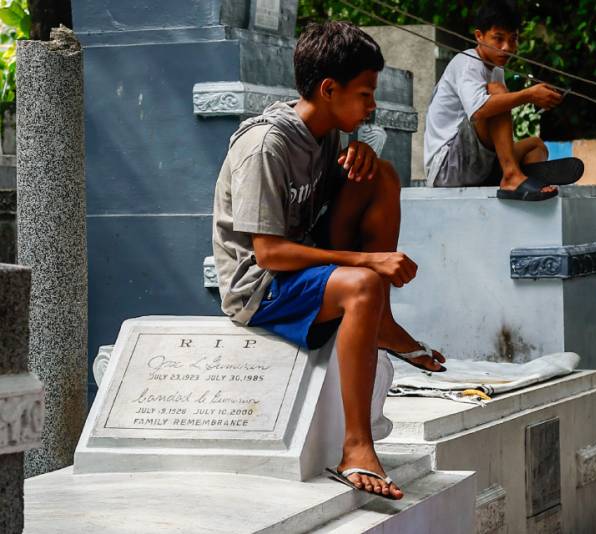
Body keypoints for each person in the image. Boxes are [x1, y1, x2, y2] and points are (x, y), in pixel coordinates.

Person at [211, 21, 446, 500]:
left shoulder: (325, 134)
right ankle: (357, 445)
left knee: (380, 175)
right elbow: (269, 253)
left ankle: (381, 321)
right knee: (361, 283)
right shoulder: (265, 146)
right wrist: (369, 260)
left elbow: (361, 161)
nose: (372, 105)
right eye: (365, 94)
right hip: (260, 286)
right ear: (328, 89)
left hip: (301, 259)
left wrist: (362, 151)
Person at [423, 0, 566, 200]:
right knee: (497, 93)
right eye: (498, 38)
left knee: (536, 146)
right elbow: (479, 110)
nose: (507, 47)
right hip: (448, 168)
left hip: (478, 164)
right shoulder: (467, 61)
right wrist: (528, 95)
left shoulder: (496, 70)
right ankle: (511, 176)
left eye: (513, 39)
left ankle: (519, 182)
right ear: (479, 36)